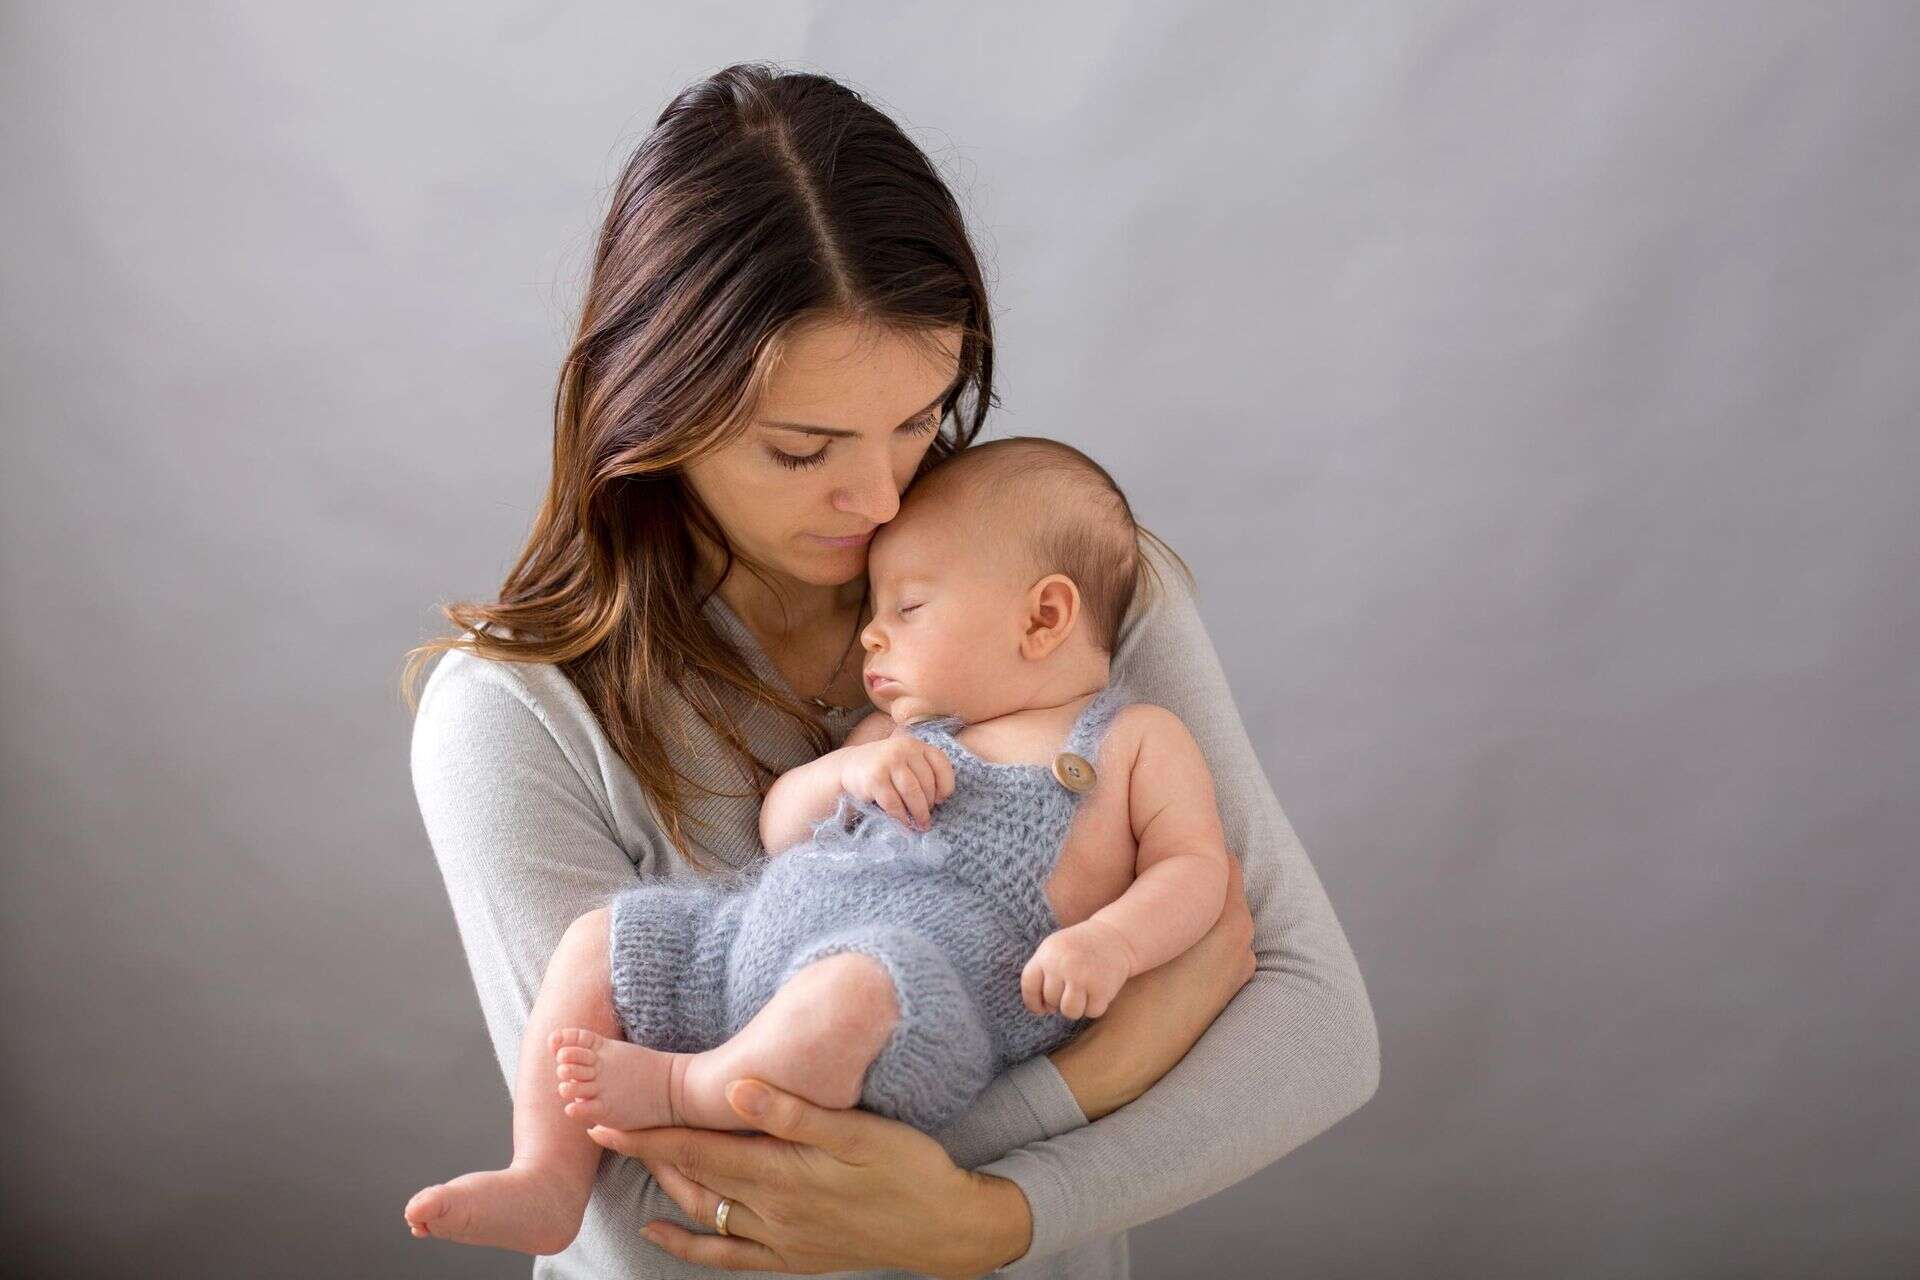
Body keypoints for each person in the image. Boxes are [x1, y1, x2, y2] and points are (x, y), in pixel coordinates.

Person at [402, 62, 1378, 1280]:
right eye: (801, 449)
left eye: (918, 417)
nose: (878, 500)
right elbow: (648, 1208)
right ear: (652, 406)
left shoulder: (1064, 604)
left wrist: (997, 1221)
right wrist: (1091, 1085)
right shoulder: (513, 717)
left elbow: (1318, 1025)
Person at [404, 438, 1233, 1258]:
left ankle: (685, 1086)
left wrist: (1111, 942)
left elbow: (1194, 868)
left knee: (855, 987)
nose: (872, 635)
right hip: (745, 950)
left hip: (913, 997)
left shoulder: (1129, 741)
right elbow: (781, 827)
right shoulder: (902, 732)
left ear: (1044, 616)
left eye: (907, 609)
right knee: (605, 936)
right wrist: (852, 769)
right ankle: (546, 1175)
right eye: (873, 611)